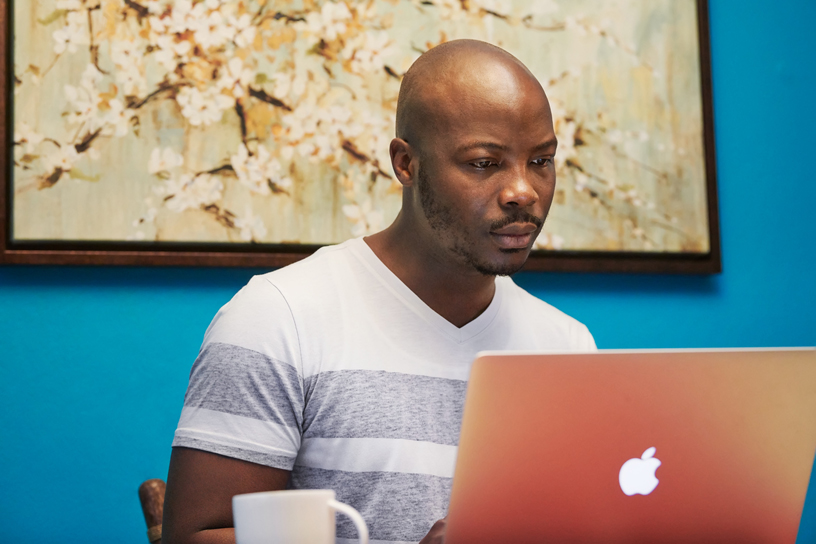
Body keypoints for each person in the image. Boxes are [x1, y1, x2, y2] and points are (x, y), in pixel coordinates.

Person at [162, 39, 596, 544]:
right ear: (406, 164)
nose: (523, 190)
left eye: (541, 160)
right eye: (484, 163)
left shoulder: (566, 347)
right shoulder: (279, 319)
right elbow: (195, 537)